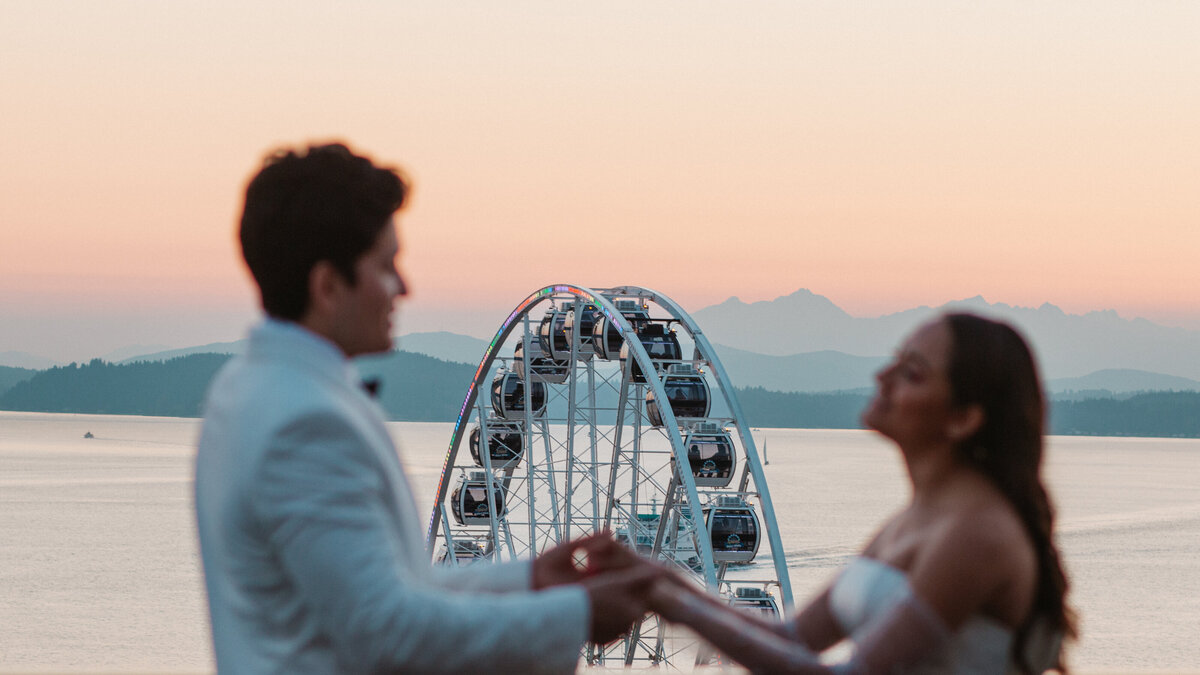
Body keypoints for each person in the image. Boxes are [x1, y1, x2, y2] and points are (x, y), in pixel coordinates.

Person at [194, 142, 653, 674]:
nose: (404, 287)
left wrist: (527, 581)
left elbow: (384, 588)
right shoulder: (307, 425)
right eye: (387, 267)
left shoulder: (243, 389)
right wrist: (574, 614)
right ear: (327, 286)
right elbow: (389, 632)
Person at [645, 313, 1075, 674]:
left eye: (912, 373)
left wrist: (674, 603)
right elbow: (795, 638)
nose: (881, 376)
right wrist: (664, 584)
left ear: (963, 419)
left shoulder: (978, 536)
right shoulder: (918, 516)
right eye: (895, 360)